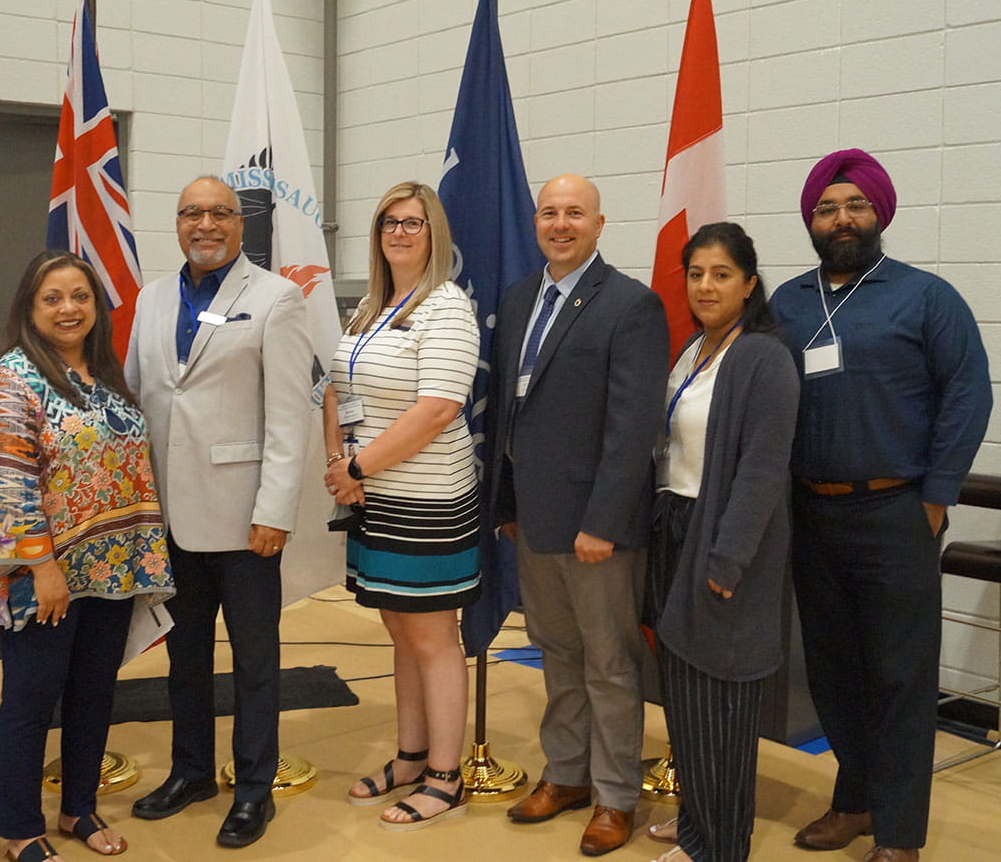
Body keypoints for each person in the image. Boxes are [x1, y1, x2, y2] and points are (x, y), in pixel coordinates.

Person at [770, 149, 992, 862]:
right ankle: (855, 800)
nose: (842, 218)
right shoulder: (788, 303)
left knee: (899, 676)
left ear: (879, 213)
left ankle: (898, 835)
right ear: (811, 221)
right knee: (832, 671)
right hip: (812, 514)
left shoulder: (925, 297)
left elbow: (968, 394)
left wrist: (936, 496)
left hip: (897, 514)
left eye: (855, 205)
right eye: (827, 208)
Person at [0, 250, 174, 862]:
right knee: (30, 703)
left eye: (80, 296)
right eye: (52, 298)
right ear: (29, 308)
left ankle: (78, 805)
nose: (68, 308)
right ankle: (20, 829)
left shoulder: (106, 374)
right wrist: (43, 567)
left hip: (111, 568)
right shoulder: (12, 380)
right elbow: (3, 484)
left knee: (94, 692)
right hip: (43, 577)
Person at [125, 176, 313, 849]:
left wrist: (275, 510)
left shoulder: (276, 298)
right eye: (192, 213)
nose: (205, 224)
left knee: (256, 661)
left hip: (244, 519)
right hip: (169, 517)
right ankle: (192, 772)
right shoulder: (151, 299)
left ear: (240, 223)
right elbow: (139, 397)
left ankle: (255, 788)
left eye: (219, 213)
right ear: (177, 223)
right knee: (185, 657)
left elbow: (289, 417)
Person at [484, 174, 669, 856]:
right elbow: (511, 413)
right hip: (534, 520)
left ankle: (616, 795)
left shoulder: (631, 304)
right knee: (557, 653)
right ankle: (567, 774)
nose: (560, 224)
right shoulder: (518, 299)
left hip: (597, 529)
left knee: (610, 663)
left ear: (598, 224)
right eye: (548, 213)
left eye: (574, 213)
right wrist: (507, 505)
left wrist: (605, 521)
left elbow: (632, 427)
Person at [322, 181, 481, 831]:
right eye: (389, 221)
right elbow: (335, 390)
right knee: (399, 626)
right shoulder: (370, 305)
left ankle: (446, 777)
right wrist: (340, 464)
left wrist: (357, 467)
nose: (399, 232)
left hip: (426, 500)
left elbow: (437, 409)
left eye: (413, 222)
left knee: (433, 635)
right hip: (373, 495)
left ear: (433, 233)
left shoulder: (448, 308)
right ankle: (412, 756)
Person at [642, 223, 799, 862]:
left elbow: (763, 469)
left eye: (722, 274)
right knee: (684, 697)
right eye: (696, 273)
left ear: (749, 284)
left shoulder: (764, 357)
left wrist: (729, 558)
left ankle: (721, 845)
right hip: (673, 526)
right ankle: (696, 826)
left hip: (721, 539)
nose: (706, 286)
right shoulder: (695, 348)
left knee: (720, 705)